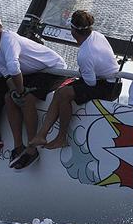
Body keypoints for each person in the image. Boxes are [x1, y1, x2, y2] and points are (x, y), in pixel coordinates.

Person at [0, 12, 66, 170]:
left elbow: (13, 66)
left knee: (28, 98)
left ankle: (32, 148)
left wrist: (21, 91)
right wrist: (15, 92)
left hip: (53, 68)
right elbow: (7, 74)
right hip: (33, 73)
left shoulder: (9, 39)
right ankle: (18, 146)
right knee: (9, 98)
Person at [30, 10, 120, 150]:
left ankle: (61, 138)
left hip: (108, 87)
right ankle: (41, 134)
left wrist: (82, 72)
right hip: (109, 81)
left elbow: (90, 83)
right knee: (60, 92)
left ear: (73, 30)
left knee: (65, 94)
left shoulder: (85, 53)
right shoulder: (97, 35)